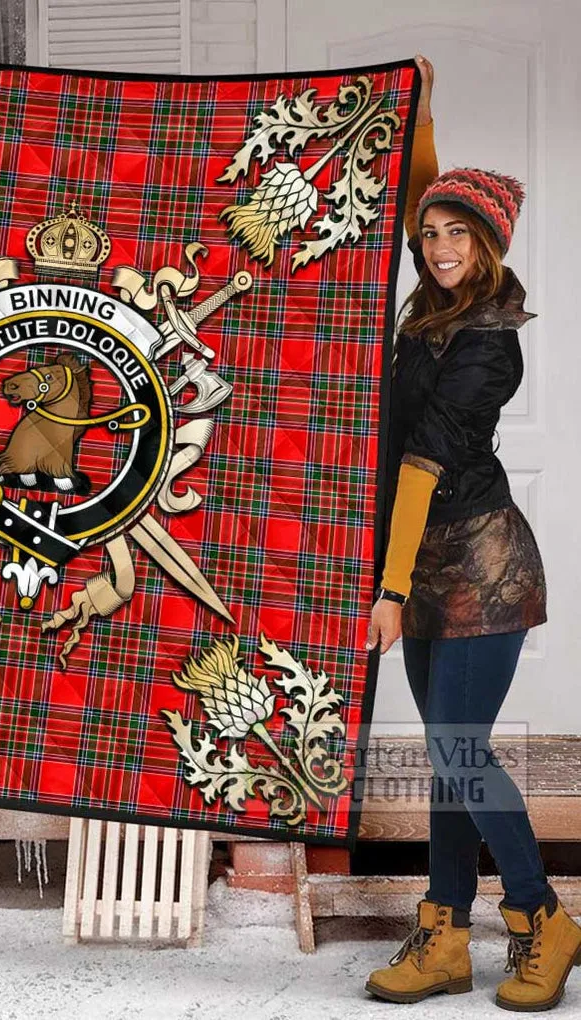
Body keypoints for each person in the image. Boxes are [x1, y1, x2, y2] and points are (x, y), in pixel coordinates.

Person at [362, 56, 581, 1011]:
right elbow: (421, 186)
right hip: (423, 562)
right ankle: (445, 933)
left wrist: (393, 587)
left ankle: (542, 919)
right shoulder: (428, 306)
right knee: (452, 756)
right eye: (432, 234)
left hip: (479, 570)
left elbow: (424, 464)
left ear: (489, 244)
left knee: (457, 751)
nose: (441, 245)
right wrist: (417, 101)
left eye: (460, 234)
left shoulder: (488, 337)